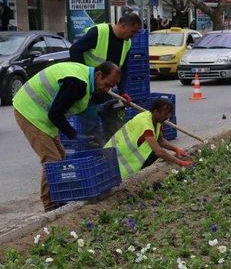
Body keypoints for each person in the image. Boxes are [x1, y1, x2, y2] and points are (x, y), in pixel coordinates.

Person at [12, 62, 121, 212]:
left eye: (111, 87)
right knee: (52, 161)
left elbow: (79, 104)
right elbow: (55, 114)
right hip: (29, 112)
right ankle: (49, 205)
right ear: (98, 75)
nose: (107, 89)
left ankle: (58, 199)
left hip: (43, 116)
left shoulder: (86, 80)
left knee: (61, 157)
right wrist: (74, 135)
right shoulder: (77, 83)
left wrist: (111, 103)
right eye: (107, 84)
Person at [69, 13, 142, 139]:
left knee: (113, 117)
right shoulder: (99, 32)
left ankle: (110, 146)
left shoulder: (127, 43)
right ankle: (92, 148)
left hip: (106, 89)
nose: (133, 35)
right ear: (124, 25)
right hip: (89, 87)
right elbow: (75, 50)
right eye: (133, 31)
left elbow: (123, 69)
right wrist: (83, 77)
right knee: (91, 119)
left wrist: (123, 91)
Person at [105, 98, 192, 179]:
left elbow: (159, 139)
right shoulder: (146, 124)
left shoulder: (157, 121)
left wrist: (175, 149)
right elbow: (159, 152)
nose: (167, 118)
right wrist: (180, 162)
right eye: (165, 114)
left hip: (125, 157)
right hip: (116, 156)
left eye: (168, 115)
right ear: (156, 112)